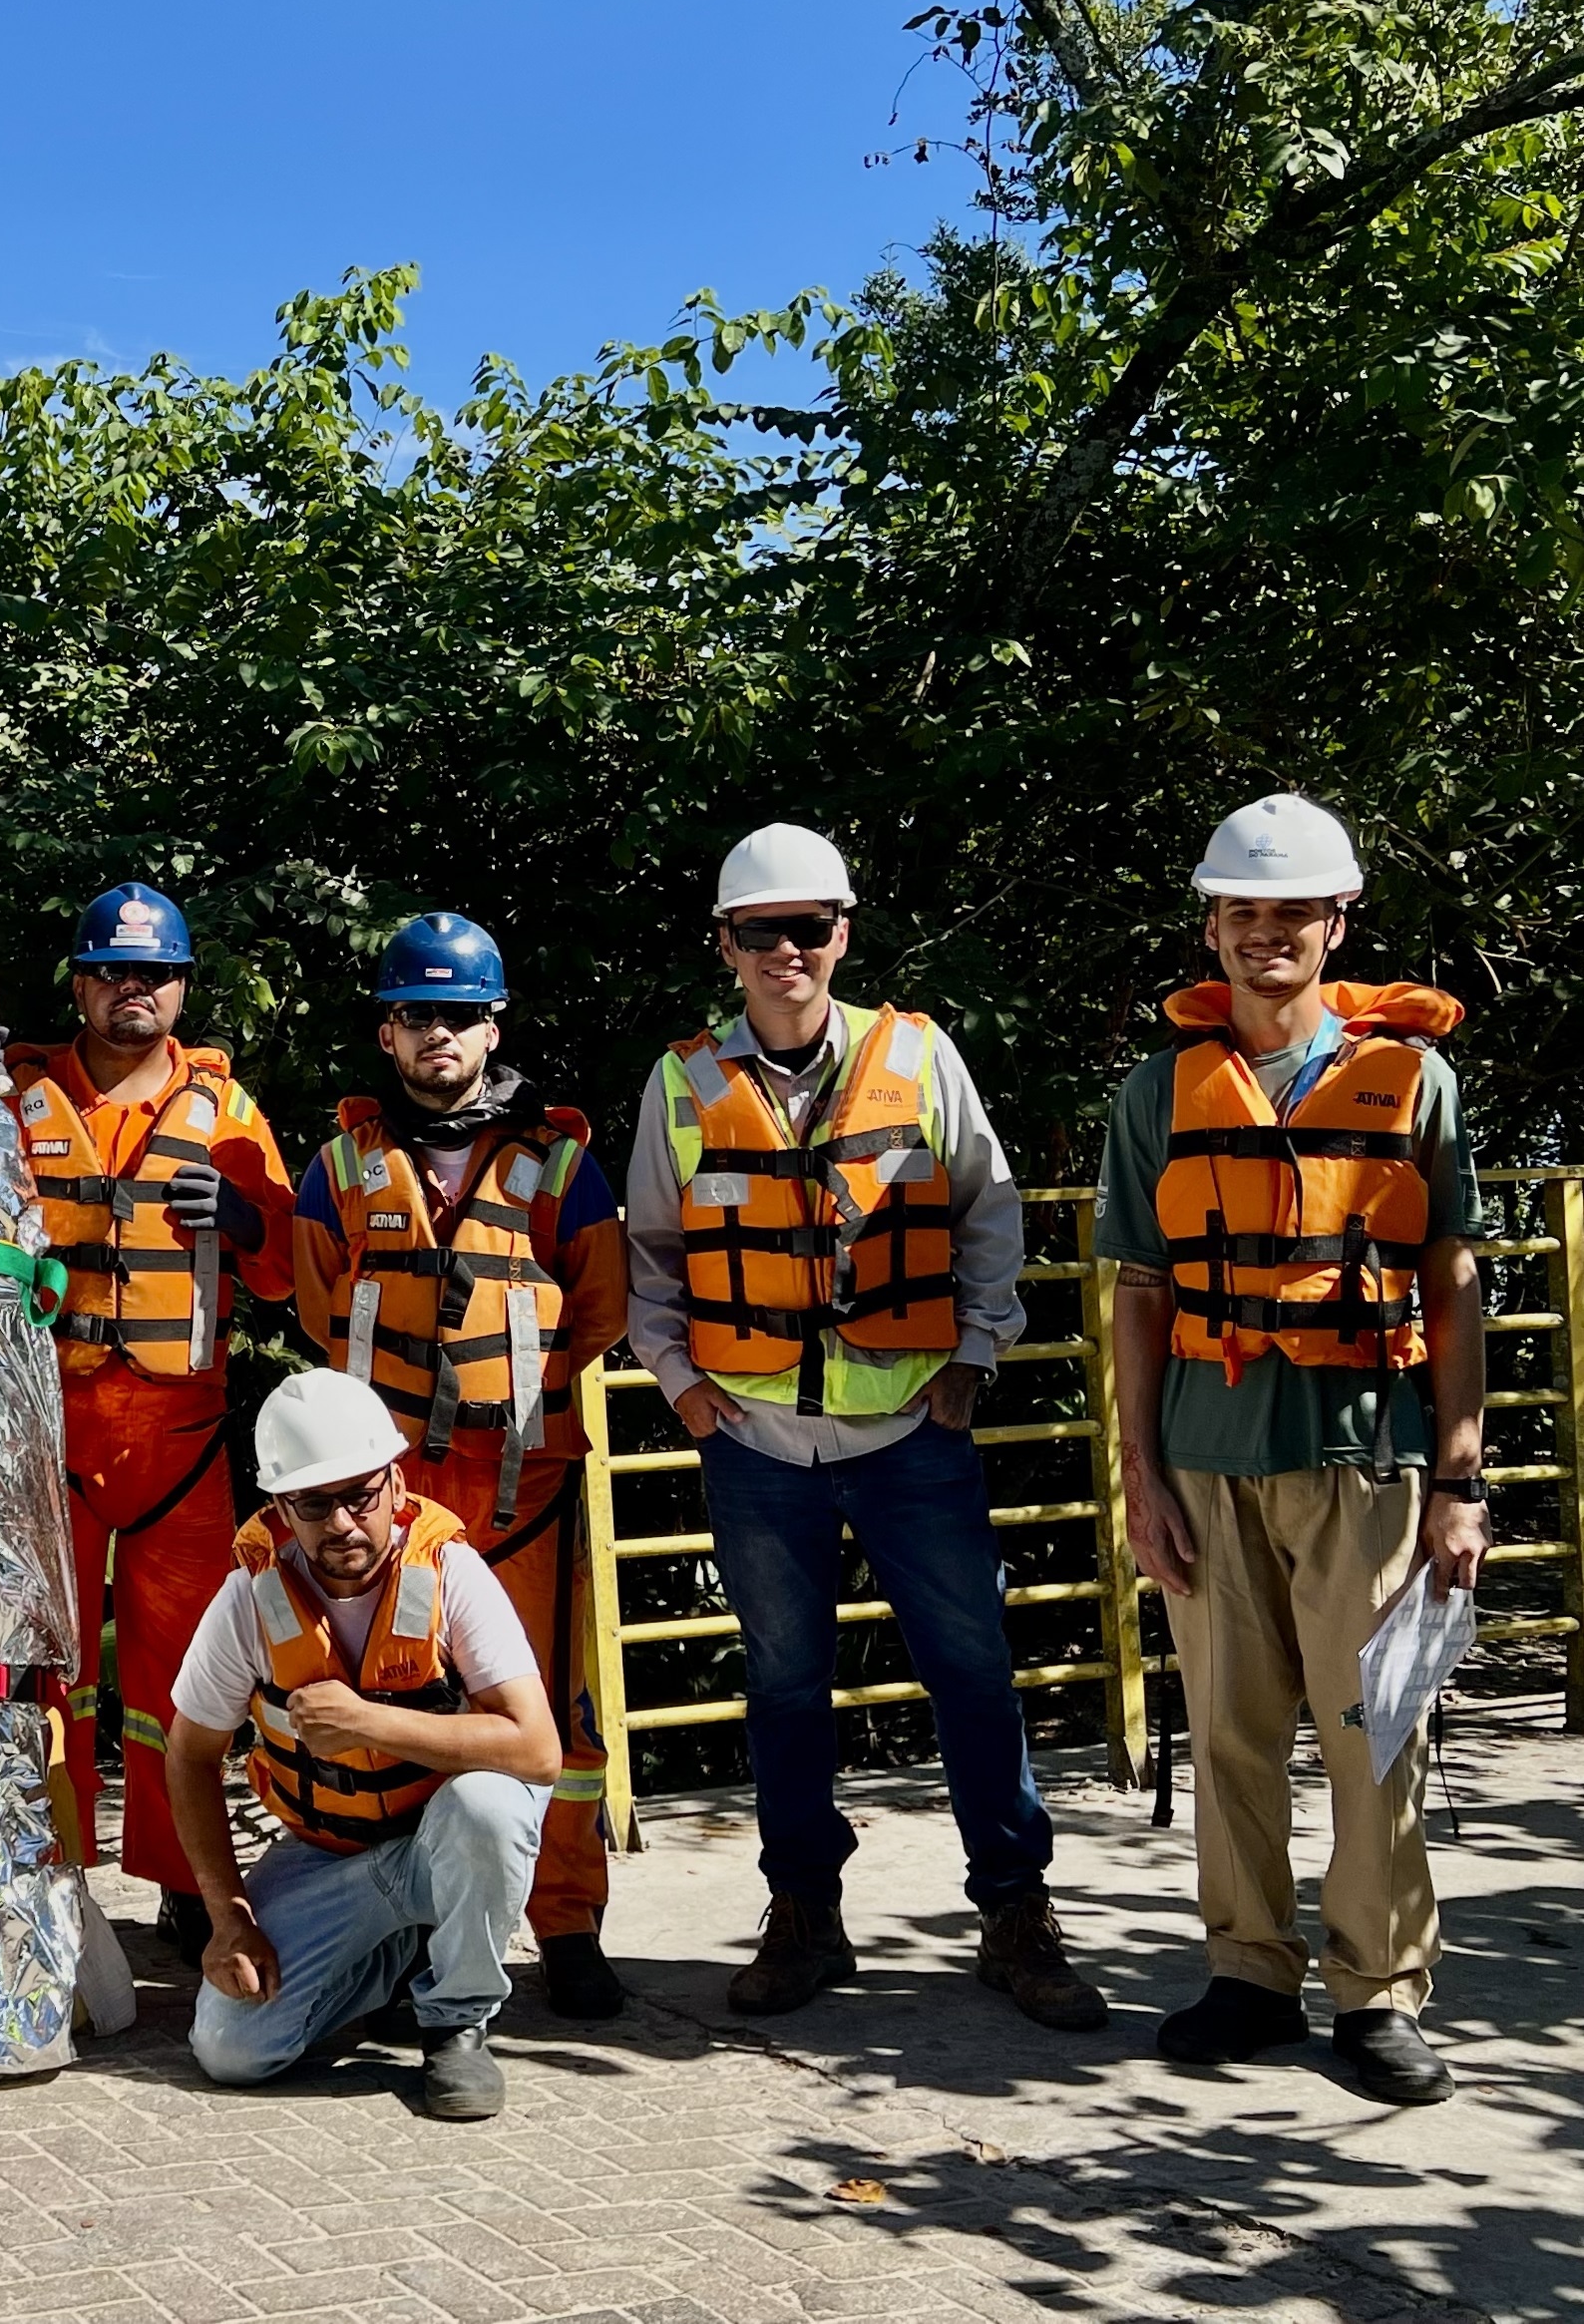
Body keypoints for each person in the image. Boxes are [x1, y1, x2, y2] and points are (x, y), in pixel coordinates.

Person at [624, 824, 1103, 2030]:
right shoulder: (683, 1084)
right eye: (758, 931)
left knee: (975, 1677)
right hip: (758, 1447)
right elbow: (650, 1255)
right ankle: (805, 1917)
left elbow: (990, 1212)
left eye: (809, 928)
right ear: (725, 945)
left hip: (910, 1436)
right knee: (785, 1689)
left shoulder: (922, 1058)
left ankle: (1014, 1912)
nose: (785, 950)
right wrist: (681, 1383)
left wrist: (975, 1358)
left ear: (844, 933)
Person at [1101, 794, 1485, 2106]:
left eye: (1292, 912)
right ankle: (1250, 1973)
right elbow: (1141, 1292)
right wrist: (1139, 1477)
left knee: (1378, 1730)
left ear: (1337, 921)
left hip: (1370, 1457)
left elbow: (1453, 1282)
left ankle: (1380, 1992)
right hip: (1207, 1455)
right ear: (1212, 925)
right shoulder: (1158, 1093)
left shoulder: (1415, 1082)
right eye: (1242, 912)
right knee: (1231, 1731)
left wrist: (1462, 1475)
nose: (1267, 934)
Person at [291, 913, 629, 2020]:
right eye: (417, 1015)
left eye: (459, 1015)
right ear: (387, 1034)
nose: (439, 1034)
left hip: (525, 1492)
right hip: (387, 1508)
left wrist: (509, 1408)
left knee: (554, 1715)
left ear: (493, 1027)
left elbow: (599, 1306)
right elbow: (313, 1304)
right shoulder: (338, 1169)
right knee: (400, 1703)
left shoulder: (560, 1167)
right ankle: (420, 1925)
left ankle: (567, 1920)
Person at [3, 881, 295, 1959]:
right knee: (46, 1673)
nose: (138, 989)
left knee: (187, 1682)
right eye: (117, 971)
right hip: (51, 1431)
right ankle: (51, 1869)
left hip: (181, 1433)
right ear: (81, 984)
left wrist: (255, 1211)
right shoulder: (12, 1100)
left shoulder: (228, 1115)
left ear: (182, 988)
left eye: (158, 973)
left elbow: (285, 1267)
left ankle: (185, 1880)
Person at [166, 1369, 559, 2120]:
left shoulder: (451, 1572)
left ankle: (456, 2021)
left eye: (361, 1494)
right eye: (315, 1503)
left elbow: (537, 1747)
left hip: (440, 1843)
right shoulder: (249, 1597)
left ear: (396, 1481)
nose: (343, 1522)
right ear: (282, 1508)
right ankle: (399, 1960)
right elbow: (187, 1754)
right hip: (328, 1855)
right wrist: (228, 1915)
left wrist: (373, 1722)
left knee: (490, 1806)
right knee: (232, 2051)